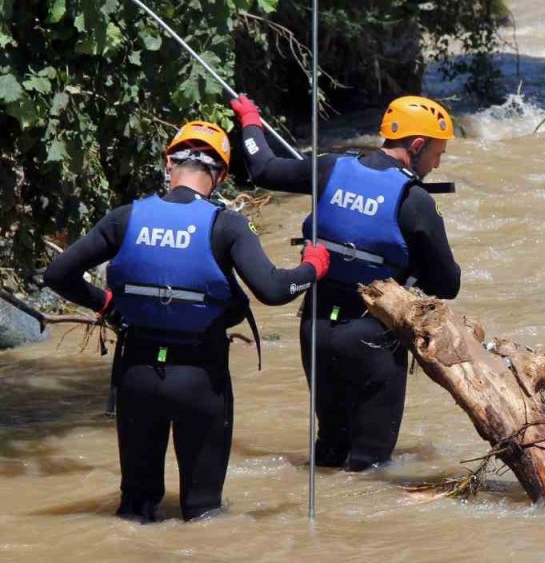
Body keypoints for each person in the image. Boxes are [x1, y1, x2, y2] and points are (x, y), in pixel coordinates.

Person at [44, 121, 329, 522]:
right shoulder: (226, 225)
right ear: (222, 175)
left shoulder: (125, 217)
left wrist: (108, 305)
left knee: (135, 510)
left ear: (168, 162)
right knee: (202, 512)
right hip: (201, 378)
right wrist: (312, 268)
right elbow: (274, 290)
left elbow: (56, 274)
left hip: (137, 373)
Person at [228, 94, 461, 472]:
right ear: (417, 146)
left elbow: (263, 168)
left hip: (315, 330)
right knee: (371, 469)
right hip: (371, 338)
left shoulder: (332, 168)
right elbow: (448, 283)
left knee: (330, 450)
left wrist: (251, 119)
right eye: (438, 152)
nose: (438, 162)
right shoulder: (415, 200)